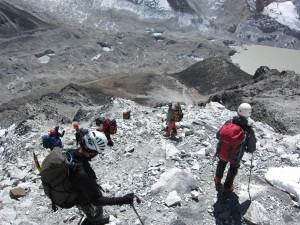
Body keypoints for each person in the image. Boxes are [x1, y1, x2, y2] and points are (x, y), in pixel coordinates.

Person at [71, 131, 135, 225]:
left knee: (97, 214)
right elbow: (96, 200)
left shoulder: (73, 153)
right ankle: (95, 222)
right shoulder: (82, 173)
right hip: (83, 198)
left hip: (79, 188)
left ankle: (98, 221)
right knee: (94, 216)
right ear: (92, 152)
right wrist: (122, 200)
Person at [214, 103, 256, 194]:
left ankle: (217, 179)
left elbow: (218, 135)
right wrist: (247, 148)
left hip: (222, 151)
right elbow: (251, 148)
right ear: (249, 113)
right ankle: (227, 187)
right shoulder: (248, 130)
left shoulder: (229, 122)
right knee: (233, 168)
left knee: (221, 162)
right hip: (236, 155)